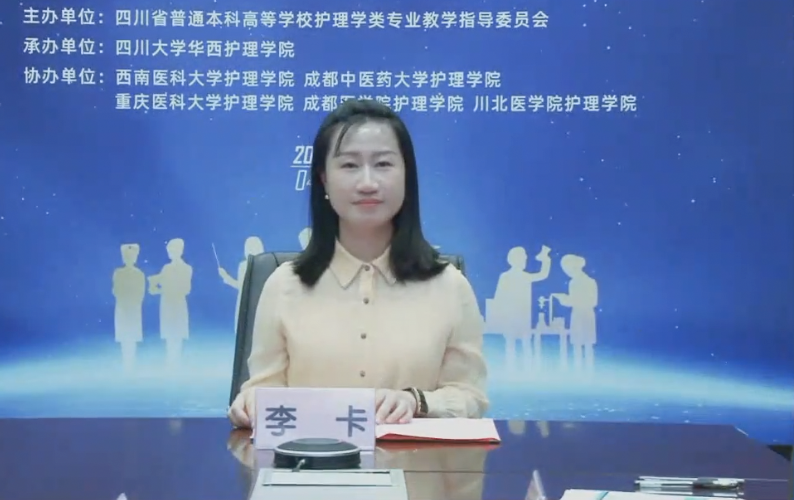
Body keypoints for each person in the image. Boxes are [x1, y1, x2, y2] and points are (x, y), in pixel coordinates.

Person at [227, 99, 488, 429]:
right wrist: (250, 403)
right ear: (323, 179)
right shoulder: (283, 285)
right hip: (309, 458)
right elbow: (263, 390)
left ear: (407, 176)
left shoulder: (450, 286)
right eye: (349, 165)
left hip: (415, 461)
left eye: (383, 164)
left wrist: (417, 401)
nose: (367, 183)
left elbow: (470, 397)